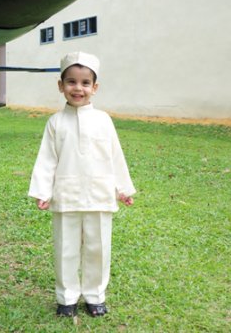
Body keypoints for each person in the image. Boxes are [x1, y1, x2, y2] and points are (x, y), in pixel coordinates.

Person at [28, 51, 136, 318]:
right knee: (65, 249)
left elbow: (115, 156)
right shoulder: (55, 122)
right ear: (61, 85)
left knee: (98, 249)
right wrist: (43, 191)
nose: (78, 88)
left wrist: (122, 189)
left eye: (85, 83)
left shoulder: (104, 120)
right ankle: (66, 298)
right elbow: (47, 159)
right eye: (71, 82)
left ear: (95, 87)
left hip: (99, 195)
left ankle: (95, 296)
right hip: (66, 196)